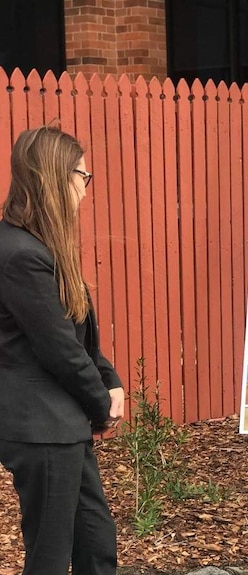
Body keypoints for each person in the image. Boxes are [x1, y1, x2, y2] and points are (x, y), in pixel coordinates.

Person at [0, 126, 125, 575]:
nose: (86, 190)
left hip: (62, 424)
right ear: (56, 176)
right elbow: (58, 351)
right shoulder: (19, 255)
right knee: (50, 557)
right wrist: (101, 407)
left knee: (95, 543)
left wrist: (109, 380)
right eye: (83, 176)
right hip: (42, 427)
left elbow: (78, 335)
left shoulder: (42, 248)